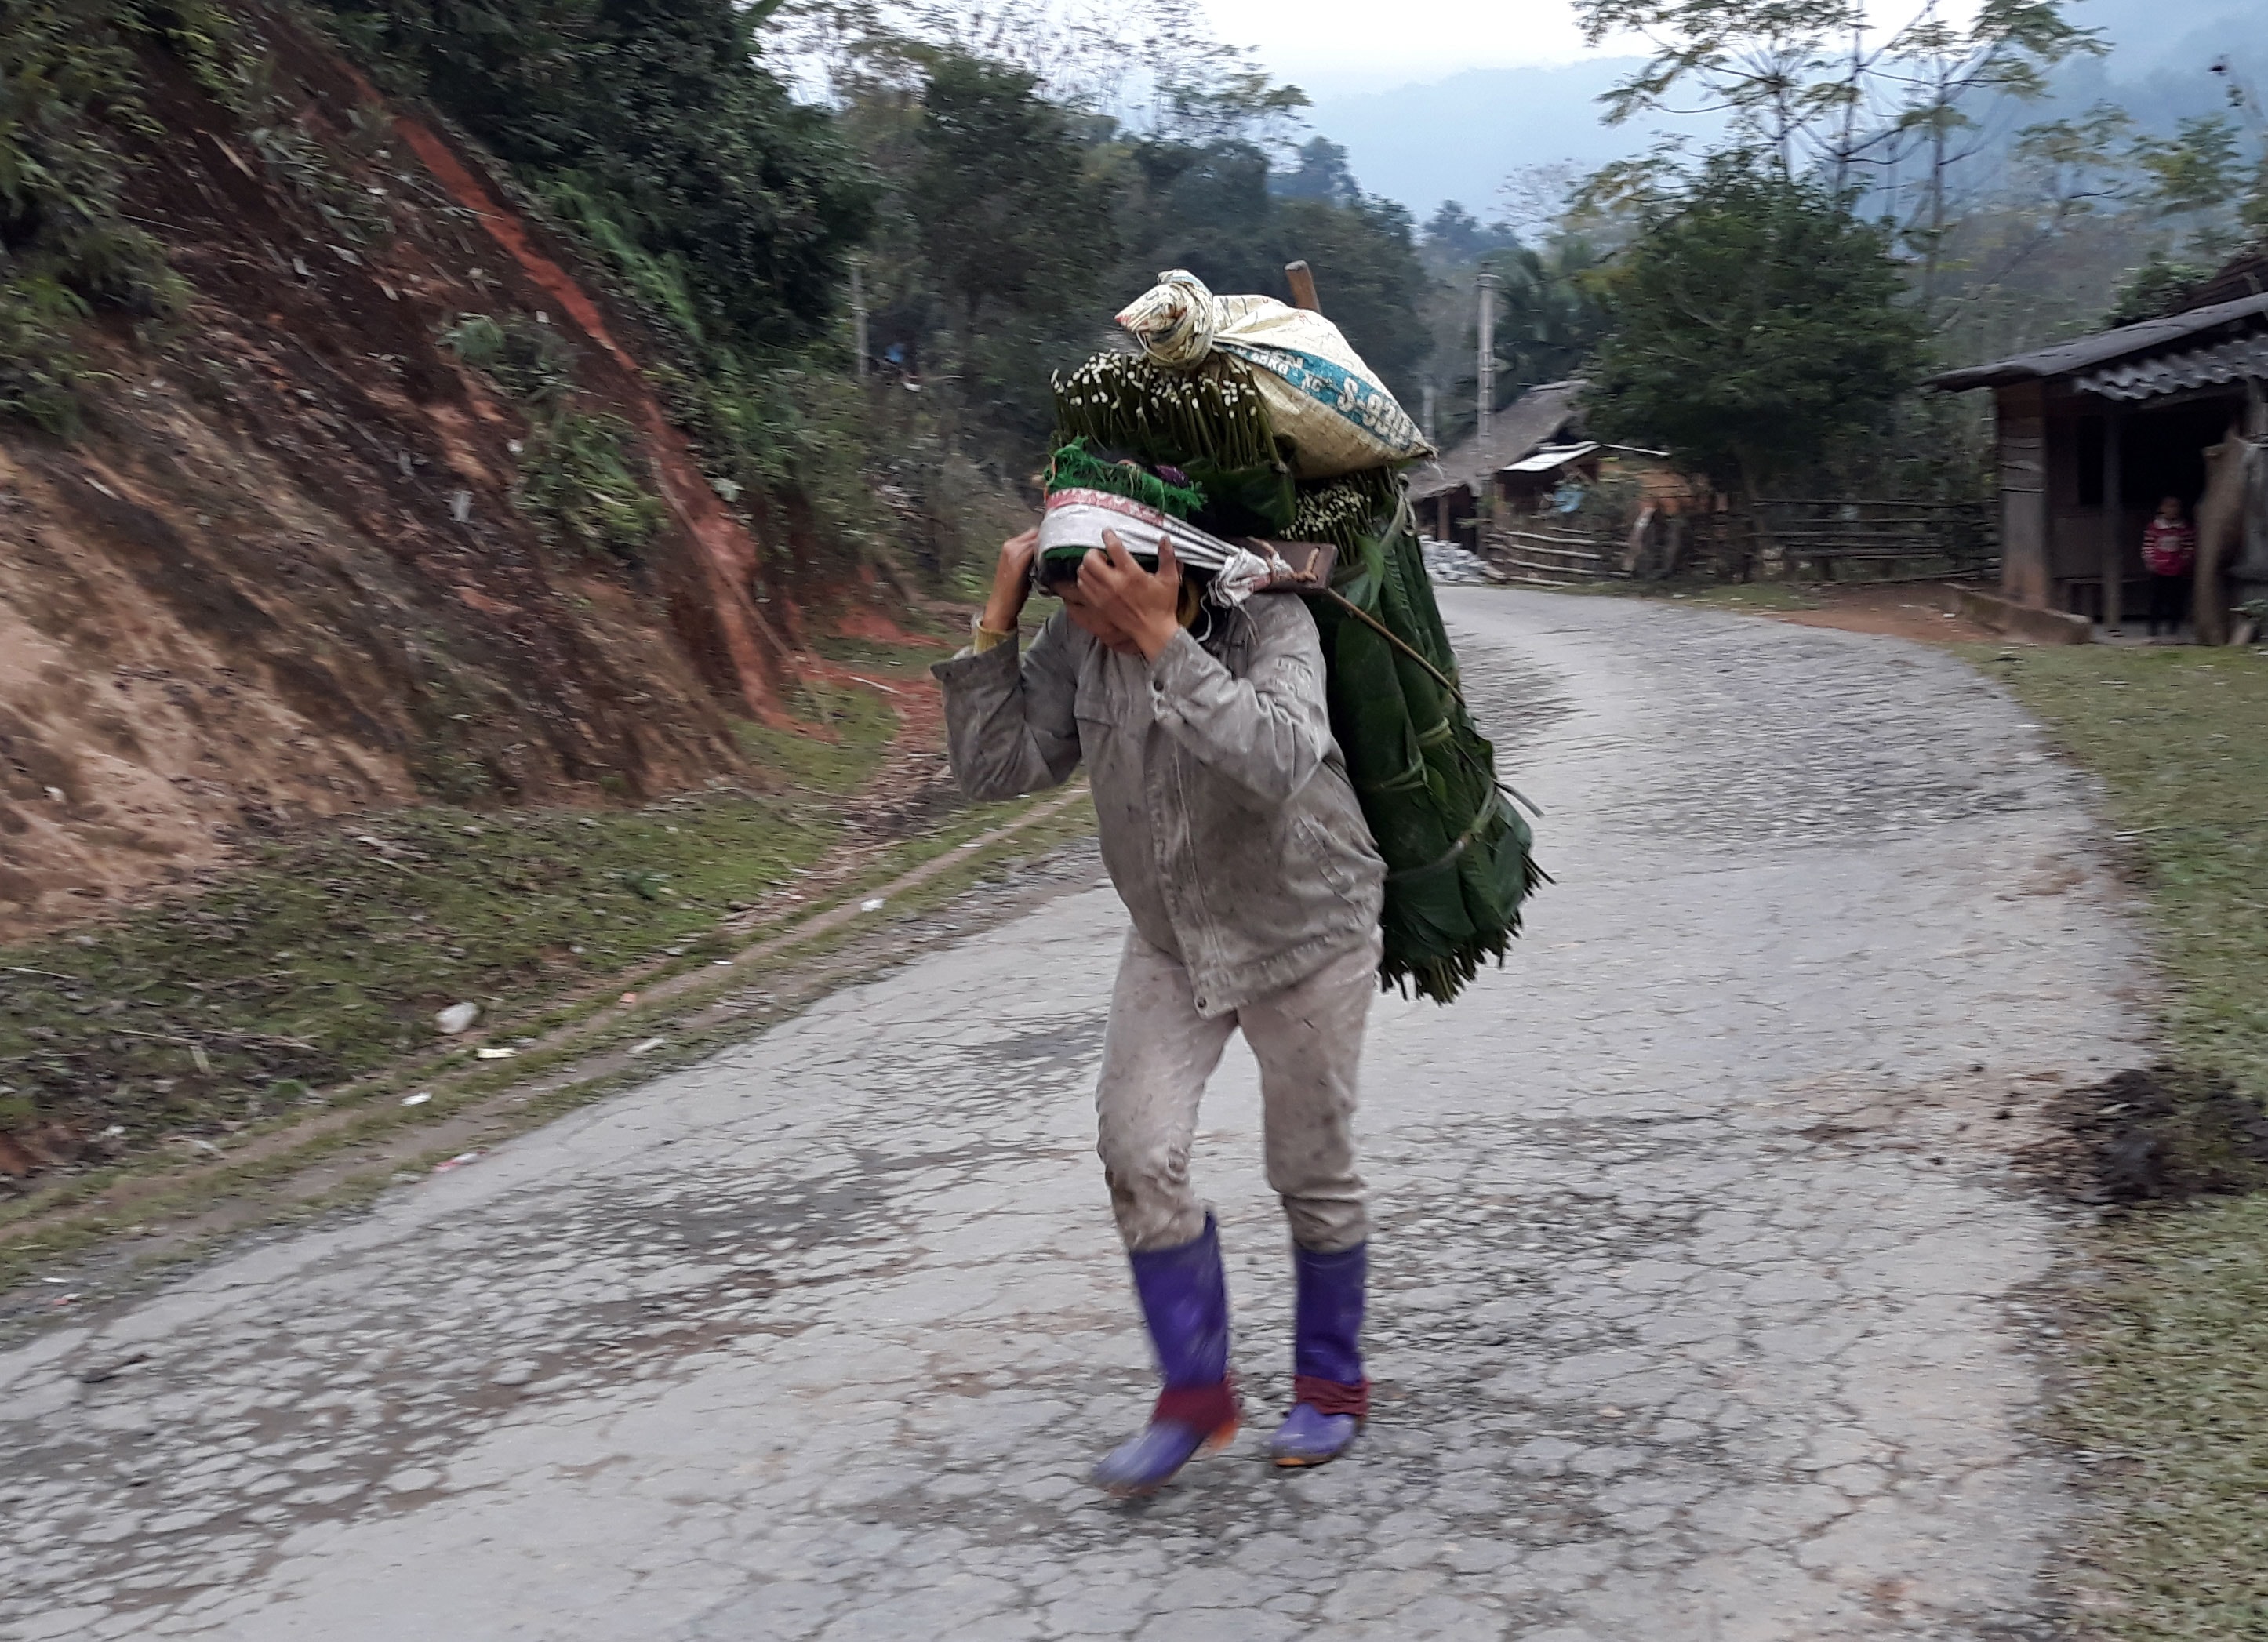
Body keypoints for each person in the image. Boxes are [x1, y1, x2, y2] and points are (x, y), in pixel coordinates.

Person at [932, 524, 1387, 1497]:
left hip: (1305, 926)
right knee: (1137, 1153)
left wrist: (1163, 643)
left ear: (1162, 566)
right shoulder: (1074, 640)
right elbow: (995, 771)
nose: (1086, 619)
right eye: (1069, 601)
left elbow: (1279, 757)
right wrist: (997, 626)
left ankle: (1331, 1385)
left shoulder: (1269, 619)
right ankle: (1194, 1397)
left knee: (1310, 1166)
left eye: (1102, 594)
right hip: (1172, 936)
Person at [2143, 494, 2196, 638]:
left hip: (2177, 571)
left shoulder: (2184, 528)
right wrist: (2150, 562)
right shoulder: (2154, 527)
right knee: (2156, 601)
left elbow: (2189, 548)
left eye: (2175, 506)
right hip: (2158, 570)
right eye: (2168, 506)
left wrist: (2184, 562)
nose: (2172, 510)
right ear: (2161, 508)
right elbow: (2148, 547)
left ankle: (2173, 630)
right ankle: (2153, 630)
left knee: (2176, 601)